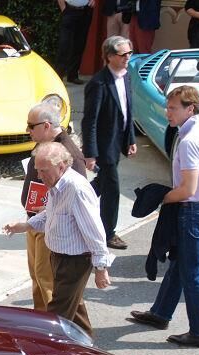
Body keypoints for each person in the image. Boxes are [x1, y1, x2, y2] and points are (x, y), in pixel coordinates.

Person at [131, 86, 199, 347]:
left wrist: (161, 198)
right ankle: (160, 314)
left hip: (193, 210)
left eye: (172, 108)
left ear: (190, 109)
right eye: (167, 107)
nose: (167, 112)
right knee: (180, 264)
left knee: (191, 273)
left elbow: (187, 190)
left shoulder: (190, 141)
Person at [4, 142, 112, 337]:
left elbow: (94, 231)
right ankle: (87, 346)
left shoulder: (76, 189)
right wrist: (25, 226)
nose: (39, 176)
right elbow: (50, 214)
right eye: (37, 170)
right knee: (74, 310)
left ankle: (46, 350)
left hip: (75, 262)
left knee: (56, 318)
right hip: (58, 257)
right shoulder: (56, 185)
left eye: (43, 171)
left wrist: (101, 268)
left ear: (61, 166)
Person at [22, 103, 87, 311]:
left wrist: (48, 211)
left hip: (50, 225)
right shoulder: (44, 144)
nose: (27, 130)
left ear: (46, 125)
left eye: (31, 125)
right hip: (36, 222)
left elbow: (79, 197)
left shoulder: (68, 153)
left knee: (47, 282)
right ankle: (39, 320)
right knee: (37, 277)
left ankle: (51, 325)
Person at [82, 35, 137, 250]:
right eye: (123, 54)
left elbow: (127, 110)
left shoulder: (126, 76)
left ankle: (72, 201)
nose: (127, 57)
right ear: (109, 56)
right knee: (112, 189)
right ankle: (108, 233)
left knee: (102, 183)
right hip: (104, 147)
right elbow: (90, 121)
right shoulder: (98, 83)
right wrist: (90, 153)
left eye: (129, 53)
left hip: (117, 142)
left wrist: (130, 139)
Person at [55, 0, 94, 85]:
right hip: (69, 10)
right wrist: (64, 9)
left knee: (80, 44)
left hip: (86, 11)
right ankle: (58, 76)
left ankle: (73, 75)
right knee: (64, 45)